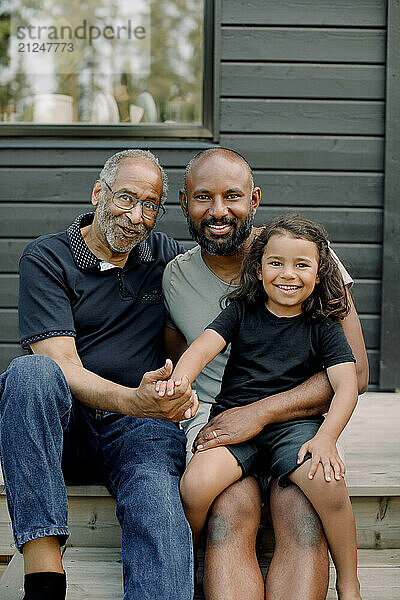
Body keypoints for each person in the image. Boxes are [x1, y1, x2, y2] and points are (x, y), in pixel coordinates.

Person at [162, 147, 368, 600]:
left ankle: (349, 583)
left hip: (297, 424)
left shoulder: (309, 257)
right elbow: (194, 349)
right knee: (223, 509)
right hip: (218, 420)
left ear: (254, 200)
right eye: (203, 197)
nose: (218, 211)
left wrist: (266, 416)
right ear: (183, 202)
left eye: (232, 196)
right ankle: (180, 568)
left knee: (305, 513)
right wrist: (178, 383)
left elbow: (355, 374)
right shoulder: (178, 277)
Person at [0, 149, 197, 600]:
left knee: (159, 505)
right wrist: (135, 399)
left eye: (150, 205)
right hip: (66, 428)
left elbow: (229, 263)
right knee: (31, 373)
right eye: (126, 199)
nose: (137, 216)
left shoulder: (165, 256)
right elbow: (63, 366)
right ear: (98, 193)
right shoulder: (47, 257)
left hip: (139, 430)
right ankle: (44, 578)